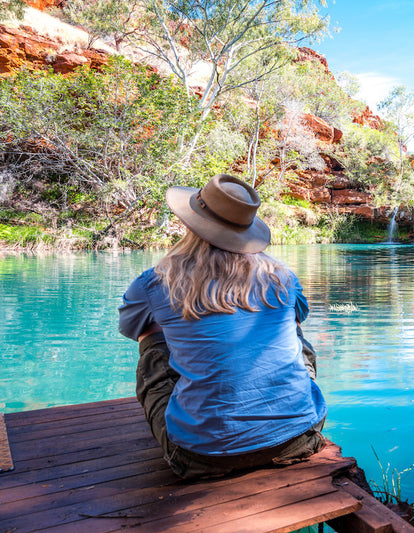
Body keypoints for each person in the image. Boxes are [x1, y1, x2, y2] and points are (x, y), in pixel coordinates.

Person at [118, 174, 326, 479]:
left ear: (190, 222)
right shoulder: (283, 276)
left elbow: (132, 328)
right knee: (292, 324)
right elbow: (300, 318)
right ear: (246, 230)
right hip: (300, 437)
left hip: (199, 457)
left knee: (152, 335)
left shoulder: (155, 283)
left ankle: (211, 419)